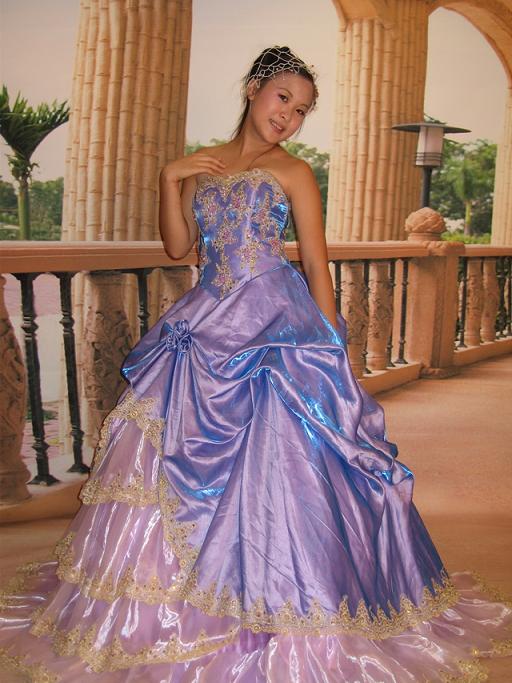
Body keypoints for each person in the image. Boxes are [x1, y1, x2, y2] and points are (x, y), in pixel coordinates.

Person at [0, 45, 511, 683]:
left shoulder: (294, 172)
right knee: (159, 445)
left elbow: (317, 263)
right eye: (283, 99)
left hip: (275, 322)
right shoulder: (203, 166)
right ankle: (165, 602)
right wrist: (170, 177)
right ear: (253, 89)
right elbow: (180, 247)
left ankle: (288, 599)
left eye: (302, 110)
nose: (288, 116)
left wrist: (330, 346)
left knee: (285, 462)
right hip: (206, 320)